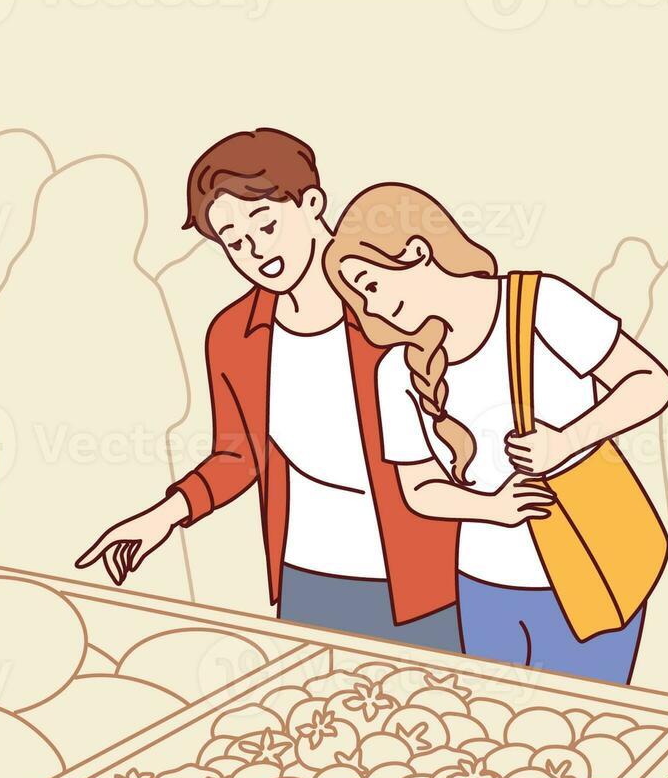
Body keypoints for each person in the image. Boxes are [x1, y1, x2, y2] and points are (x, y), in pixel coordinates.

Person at [76, 131, 460, 650]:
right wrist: (162, 517)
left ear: (312, 205)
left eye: (267, 224)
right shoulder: (234, 334)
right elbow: (238, 455)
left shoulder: (392, 305)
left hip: (422, 579)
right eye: (234, 241)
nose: (255, 251)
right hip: (308, 577)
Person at [323, 183, 668, 683]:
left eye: (370, 285)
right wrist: (492, 508)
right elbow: (419, 490)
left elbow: (651, 382)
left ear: (416, 251)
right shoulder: (398, 369)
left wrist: (567, 442)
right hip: (483, 585)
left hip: (585, 569)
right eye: (357, 300)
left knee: (583, 735)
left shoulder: (539, 303)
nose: (370, 308)